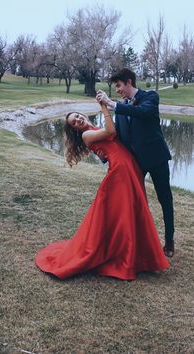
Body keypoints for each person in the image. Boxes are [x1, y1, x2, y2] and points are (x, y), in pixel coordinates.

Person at [35, 103, 169, 280]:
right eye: (74, 122)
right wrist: (104, 106)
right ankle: (125, 258)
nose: (78, 120)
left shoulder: (93, 128)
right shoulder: (87, 135)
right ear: (75, 128)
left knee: (135, 210)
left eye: (77, 116)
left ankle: (139, 256)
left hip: (130, 167)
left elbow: (112, 138)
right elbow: (110, 132)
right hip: (120, 171)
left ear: (81, 113)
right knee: (123, 214)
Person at [96, 68, 175, 257]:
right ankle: (140, 242)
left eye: (119, 86)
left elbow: (142, 112)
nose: (118, 90)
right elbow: (120, 138)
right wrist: (104, 154)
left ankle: (169, 240)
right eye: (116, 87)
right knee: (135, 202)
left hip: (157, 158)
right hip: (136, 164)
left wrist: (110, 103)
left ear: (129, 82)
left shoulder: (150, 97)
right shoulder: (121, 109)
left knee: (165, 199)